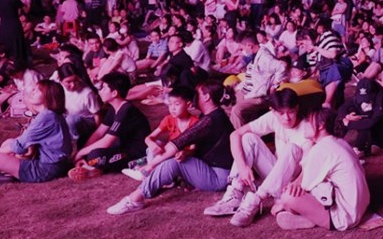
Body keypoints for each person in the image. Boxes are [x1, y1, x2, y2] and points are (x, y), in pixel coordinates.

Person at [106, 80, 236, 215]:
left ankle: (134, 200)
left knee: (173, 162)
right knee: (173, 157)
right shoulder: (211, 116)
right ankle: (145, 189)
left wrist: (150, 166)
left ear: (206, 97)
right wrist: (186, 153)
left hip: (219, 177)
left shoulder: (211, 120)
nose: (194, 96)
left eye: (197, 93)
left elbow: (177, 143)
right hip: (213, 169)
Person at [203, 88, 313, 227]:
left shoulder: (307, 130)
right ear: (273, 111)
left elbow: (310, 168)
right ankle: (234, 195)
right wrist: (242, 167)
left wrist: (295, 186)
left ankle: (255, 200)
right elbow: (235, 135)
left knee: (292, 148)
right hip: (275, 175)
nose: (286, 118)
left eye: (291, 112)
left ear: (297, 108)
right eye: (281, 113)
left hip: (292, 185)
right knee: (247, 137)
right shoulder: (273, 117)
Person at [274, 107, 370, 230]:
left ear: (321, 125)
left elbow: (303, 187)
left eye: (308, 121)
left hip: (344, 217)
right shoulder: (338, 141)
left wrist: (282, 203)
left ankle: (313, 219)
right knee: (310, 185)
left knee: (288, 197)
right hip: (361, 207)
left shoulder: (321, 148)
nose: (304, 125)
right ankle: (313, 217)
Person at [0, 80, 72, 183]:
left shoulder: (46, 117)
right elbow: (25, 143)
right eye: (34, 89)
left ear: (48, 96)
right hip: (54, 163)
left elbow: (19, 145)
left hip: (46, 169)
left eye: (38, 91)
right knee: (8, 142)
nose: (33, 92)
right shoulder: (49, 114)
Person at [71, 73, 150, 180]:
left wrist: (80, 153)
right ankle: (90, 164)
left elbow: (107, 141)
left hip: (136, 153)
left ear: (114, 93)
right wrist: (82, 153)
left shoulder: (126, 110)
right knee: (83, 140)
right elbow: (99, 133)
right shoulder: (114, 108)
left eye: (104, 88)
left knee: (95, 156)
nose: (100, 91)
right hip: (123, 146)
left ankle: (95, 168)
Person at [338, 77, 383, 157]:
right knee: (350, 111)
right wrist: (346, 116)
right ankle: (340, 142)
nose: (364, 100)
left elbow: (372, 122)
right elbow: (343, 107)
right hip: (372, 125)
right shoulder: (357, 96)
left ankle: (359, 149)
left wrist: (348, 124)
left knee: (365, 123)